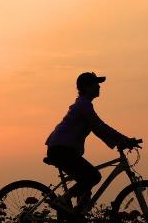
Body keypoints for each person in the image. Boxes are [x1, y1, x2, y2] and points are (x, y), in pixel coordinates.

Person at [45, 72, 140, 213]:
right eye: (96, 84)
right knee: (93, 176)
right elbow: (100, 127)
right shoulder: (84, 106)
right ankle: (63, 200)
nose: (99, 87)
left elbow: (98, 130)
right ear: (86, 87)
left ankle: (77, 216)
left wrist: (119, 141)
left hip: (61, 149)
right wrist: (124, 140)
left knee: (86, 184)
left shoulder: (84, 105)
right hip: (62, 150)